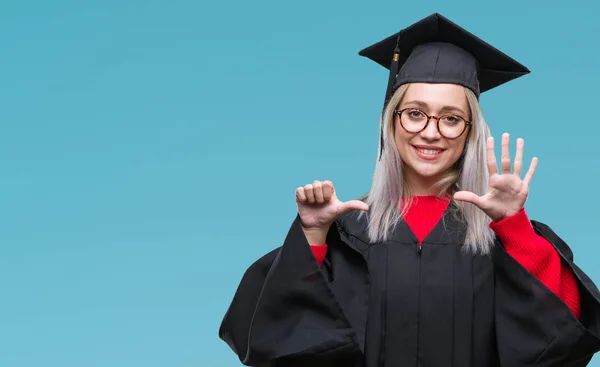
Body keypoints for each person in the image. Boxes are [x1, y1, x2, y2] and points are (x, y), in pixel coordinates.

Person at [218, 13, 600, 367]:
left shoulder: (494, 232)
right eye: (415, 113)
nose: (431, 131)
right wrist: (314, 236)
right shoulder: (352, 231)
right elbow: (275, 338)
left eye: (451, 118)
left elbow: (563, 341)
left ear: (469, 131)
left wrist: (514, 226)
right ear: (391, 121)